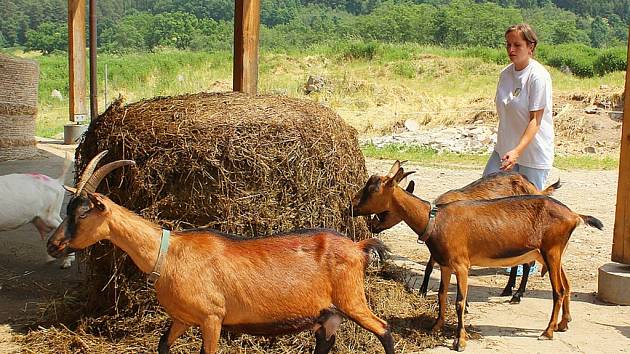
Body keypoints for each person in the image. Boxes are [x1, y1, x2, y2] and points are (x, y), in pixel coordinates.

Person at [483, 23, 554, 275]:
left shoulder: (538, 76)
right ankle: (495, 250)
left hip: (532, 154)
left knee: (530, 208)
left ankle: (530, 260)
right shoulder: (506, 74)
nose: (511, 50)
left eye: (517, 45)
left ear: (531, 47)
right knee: (487, 197)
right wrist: (505, 145)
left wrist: (517, 152)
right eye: (508, 45)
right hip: (503, 150)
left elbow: (535, 121)